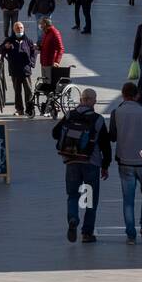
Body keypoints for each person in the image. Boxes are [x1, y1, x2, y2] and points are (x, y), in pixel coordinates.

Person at [52, 87, 111, 243]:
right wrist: (106, 165)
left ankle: (73, 218)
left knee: (72, 195)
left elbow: (55, 133)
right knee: (90, 198)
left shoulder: (70, 115)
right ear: (93, 101)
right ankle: (87, 232)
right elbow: (105, 145)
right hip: (91, 163)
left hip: (71, 161)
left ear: (81, 100)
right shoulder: (98, 119)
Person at [109, 81, 142, 243]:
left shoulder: (116, 112)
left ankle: (130, 234)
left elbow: (112, 136)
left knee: (128, 199)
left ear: (123, 94)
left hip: (125, 162)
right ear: (137, 95)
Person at [0, 22, 37, 117]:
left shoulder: (28, 40)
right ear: (14, 29)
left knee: (28, 91)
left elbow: (34, 52)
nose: (19, 29)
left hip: (26, 70)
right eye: (17, 28)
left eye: (21, 28)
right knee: (17, 91)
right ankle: (19, 109)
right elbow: (0, 49)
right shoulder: (9, 40)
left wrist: (32, 63)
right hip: (15, 70)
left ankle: (29, 109)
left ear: (24, 29)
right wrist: (5, 47)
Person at [38, 18, 64, 90]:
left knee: (50, 84)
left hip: (50, 63)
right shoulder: (46, 32)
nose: (40, 25)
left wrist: (56, 61)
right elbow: (45, 46)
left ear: (45, 24)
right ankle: (48, 100)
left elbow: (60, 48)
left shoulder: (55, 33)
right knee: (45, 84)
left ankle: (52, 100)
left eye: (41, 24)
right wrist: (38, 47)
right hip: (44, 62)